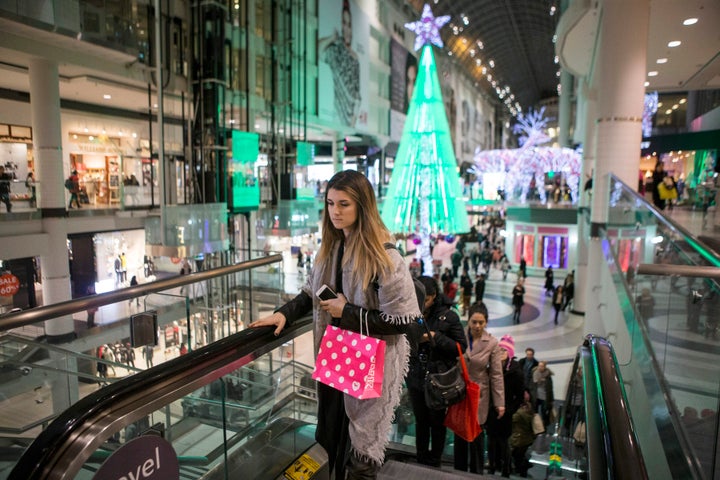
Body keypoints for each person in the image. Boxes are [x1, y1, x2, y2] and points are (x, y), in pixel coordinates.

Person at [249, 170, 421, 479]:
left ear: (362, 207)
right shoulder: (331, 247)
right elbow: (311, 290)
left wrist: (348, 311)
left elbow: (402, 321)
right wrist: (285, 314)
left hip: (369, 361)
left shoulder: (386, 256)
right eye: (330, 203)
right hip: (337, 353)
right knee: (332, 435)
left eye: (344, 204)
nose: (335, 212)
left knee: (361, 448)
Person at [406, 276, 466, 467]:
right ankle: (421, 457)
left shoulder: (449, 316)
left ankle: (435, 460)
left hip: (438, 380)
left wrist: (435, 337)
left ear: (433, 296)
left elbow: (460, 347)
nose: (421, 303)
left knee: (437, 423)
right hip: (416, 377)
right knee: (421, 421)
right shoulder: (410, 313)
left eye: (425, 299)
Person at [454, 302, 505, 475]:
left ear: (486, 323)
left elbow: (497, 375)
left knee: (476, 436)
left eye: (481, 322)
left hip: (479, 395)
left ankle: (476, 474)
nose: (477, 326)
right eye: (474, 322)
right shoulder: (459, 336)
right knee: (459, 434)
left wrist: (500, 402)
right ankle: (457, 472)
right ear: (468, 321)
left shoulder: (491, 343)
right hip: (460, 392)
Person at [485, 334, 524, 477]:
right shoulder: (491, 367)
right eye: (499, 350)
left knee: (503, 443)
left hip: (505, 414)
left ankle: (506, 469)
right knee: (490, 441)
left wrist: (509, 411)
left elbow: (520, 397)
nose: (501, 353)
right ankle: (491, 466)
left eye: (504, 351)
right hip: (491, 411)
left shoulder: (516, 373)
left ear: (510, 353)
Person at [318, 0, 361, 127]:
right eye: (344, 23)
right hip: (336, 114)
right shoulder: (336, 51)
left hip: (348, 119)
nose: (347, 29)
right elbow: (319, 50)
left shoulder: (354, 58)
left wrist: (353, 121)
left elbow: (357, 94)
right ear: (341, 26)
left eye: (349, 24)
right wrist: (332, 38)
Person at [510, 390, 536, 478]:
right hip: (527, 438)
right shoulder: (530, 407)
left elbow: (514, 418)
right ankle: (523, 466)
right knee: (518, 455)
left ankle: (522, 468)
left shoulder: (522, 411)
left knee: (516, 455)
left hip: (520, 438)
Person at [532, 361, 555, 428]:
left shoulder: (548, 376)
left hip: (545, 396)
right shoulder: (535, 373)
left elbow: (550, 388)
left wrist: (551, 399)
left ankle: (544, 426)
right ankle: (535, 426)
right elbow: (532, 384)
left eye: (542, 366)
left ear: (545, 367)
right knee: (535, 412)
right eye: (539, 366)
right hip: (536, 395)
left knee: (544, 412)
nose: (540, 367)